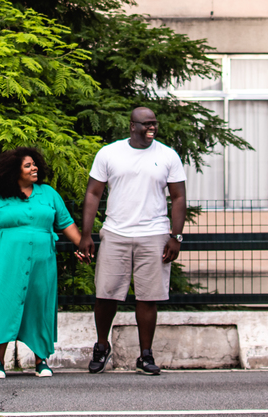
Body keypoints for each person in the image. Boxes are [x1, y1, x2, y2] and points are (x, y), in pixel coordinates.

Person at [76, 106, 187, 376]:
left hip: (154, 233)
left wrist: (176, 236)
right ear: (132, 126)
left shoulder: (167, 155)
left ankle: (145, 355)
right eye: (146, 123)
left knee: (148, 297)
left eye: (154, 123)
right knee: (106, 294)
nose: (152, 127)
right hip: (116, 232)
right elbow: (93, 193)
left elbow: (179, 197)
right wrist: (86, 234)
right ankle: (102, 346)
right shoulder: (109, 153)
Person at [0, 146, 86, 379]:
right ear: (15, 171)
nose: (34, 168)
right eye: (28, 165)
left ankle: (41, 361)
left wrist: (82, 245)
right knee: (3, 303)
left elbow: (66, 222)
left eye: (34, 164)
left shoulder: (48, 193)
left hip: (42, 261)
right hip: (7, 260)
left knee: (39, 304)